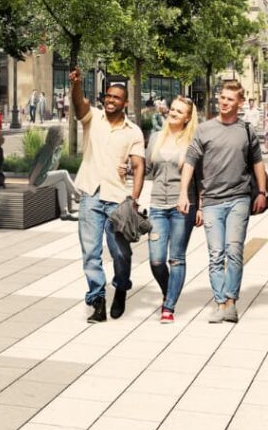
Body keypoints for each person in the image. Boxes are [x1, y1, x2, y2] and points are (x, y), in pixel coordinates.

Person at [179, 79, 267, 323]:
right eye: (222, 97)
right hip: (212, 202)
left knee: (234, 251)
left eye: (230, 99)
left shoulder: (246, 131)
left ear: (239, 102)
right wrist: (184, 193)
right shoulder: (205, 129)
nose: (224, 102)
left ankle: (231, 302)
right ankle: (220, 302)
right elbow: (189, 162)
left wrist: (262, 192)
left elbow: (258, 163)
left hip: (239, 198)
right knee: (215, 253)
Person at [70, 69, 145, 323]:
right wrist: (77, 85)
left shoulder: (133, 131)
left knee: (120, 253)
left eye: (116, 97)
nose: (110, 100)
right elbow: (79, 106)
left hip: (116, 198)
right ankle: (98, 300)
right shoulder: (94, 119)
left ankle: (121, 287)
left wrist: (133, 199)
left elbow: (139, 166)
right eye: (108, 96)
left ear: (125, 103)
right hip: (91, 193)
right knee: (90, 252)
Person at [147, 96, 198, 324]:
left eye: (179, 112)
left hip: (182, 206)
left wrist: (202, 206)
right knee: (156, 260)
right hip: (157, 204)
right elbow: (147, 169)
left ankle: (168, 306)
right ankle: (170, 291)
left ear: (187, 117)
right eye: (173, 109)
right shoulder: (156, 138)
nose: (173, 113)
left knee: (176, 258)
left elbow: (202, 176)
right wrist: (126, 168)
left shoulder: (193, 141)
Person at [28, 126, 80, 220]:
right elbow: (37, 168)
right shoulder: (46, 149)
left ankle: (64, 213)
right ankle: (77, 194)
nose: (64, 138)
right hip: (38, 178)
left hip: (46, 176)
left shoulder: (58, 149)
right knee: (64, 173)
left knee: (61, 184)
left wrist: (54, 177)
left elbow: (54, 167)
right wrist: (30, 184)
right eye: (62, 136)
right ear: (56, 137)